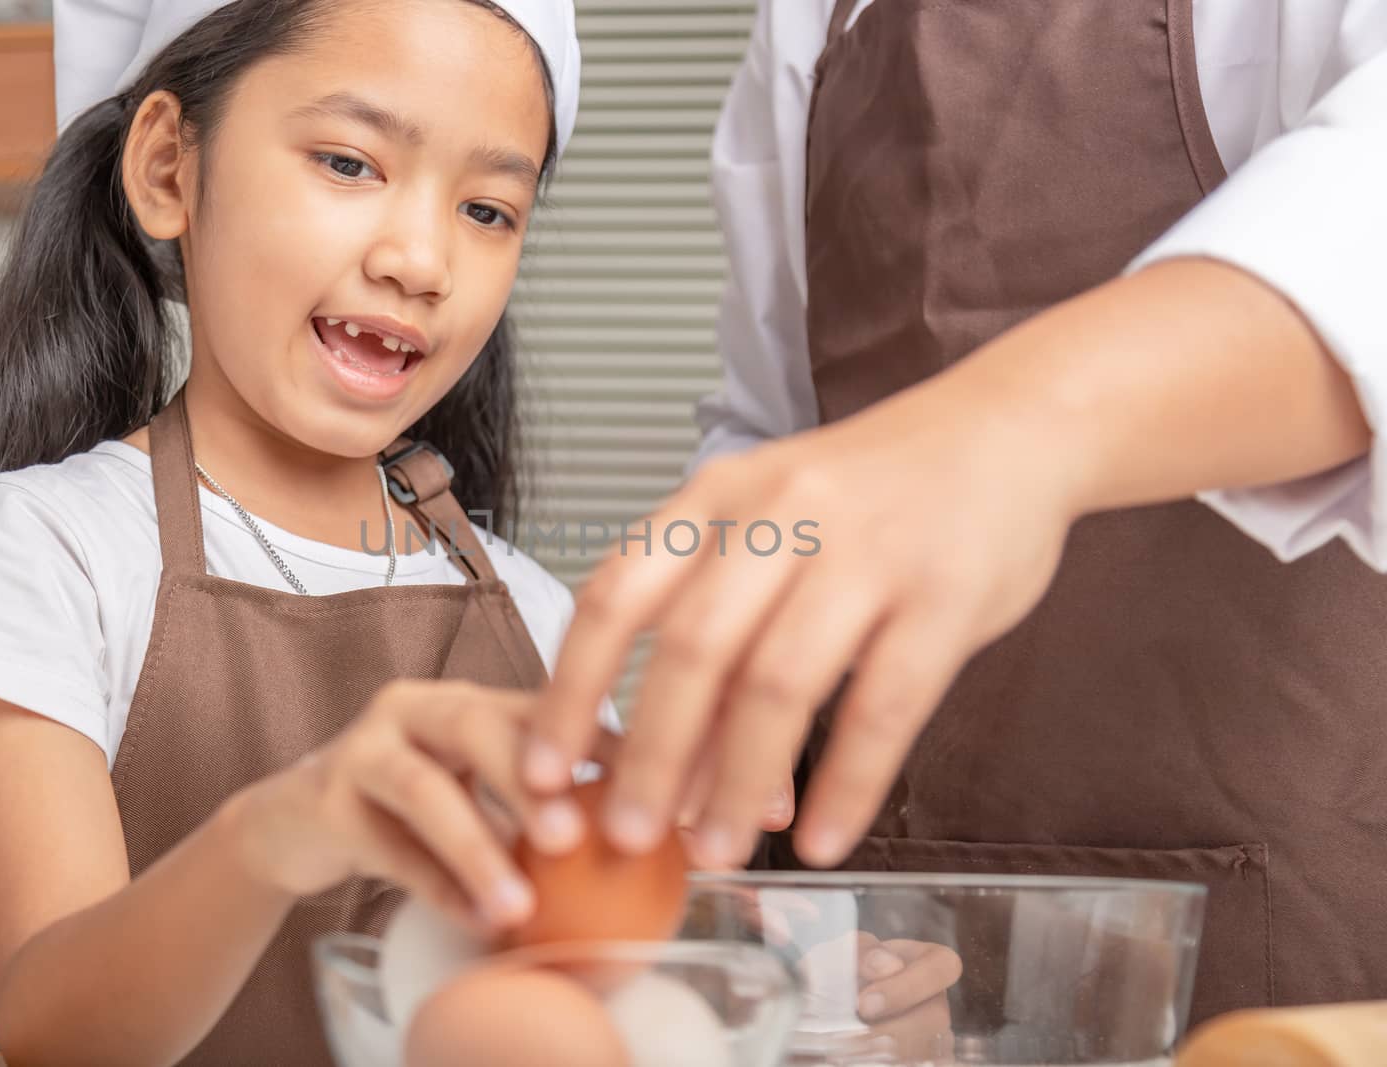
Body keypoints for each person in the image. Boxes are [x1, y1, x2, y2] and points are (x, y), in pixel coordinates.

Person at [523, 0, 1387, 1024]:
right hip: (877, 897)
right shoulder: (807, 20)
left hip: (1277, 908)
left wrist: (1020, 429)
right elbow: (781, 412)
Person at [0, 1, 615, 1063]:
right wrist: (282, 827)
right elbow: (60, 1032)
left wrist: (809, 965)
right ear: (167, 166)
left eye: (487, 210)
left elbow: (603, 987)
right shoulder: (45, 556)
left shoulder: (538, 613)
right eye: (348, 161)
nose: (423, 260)